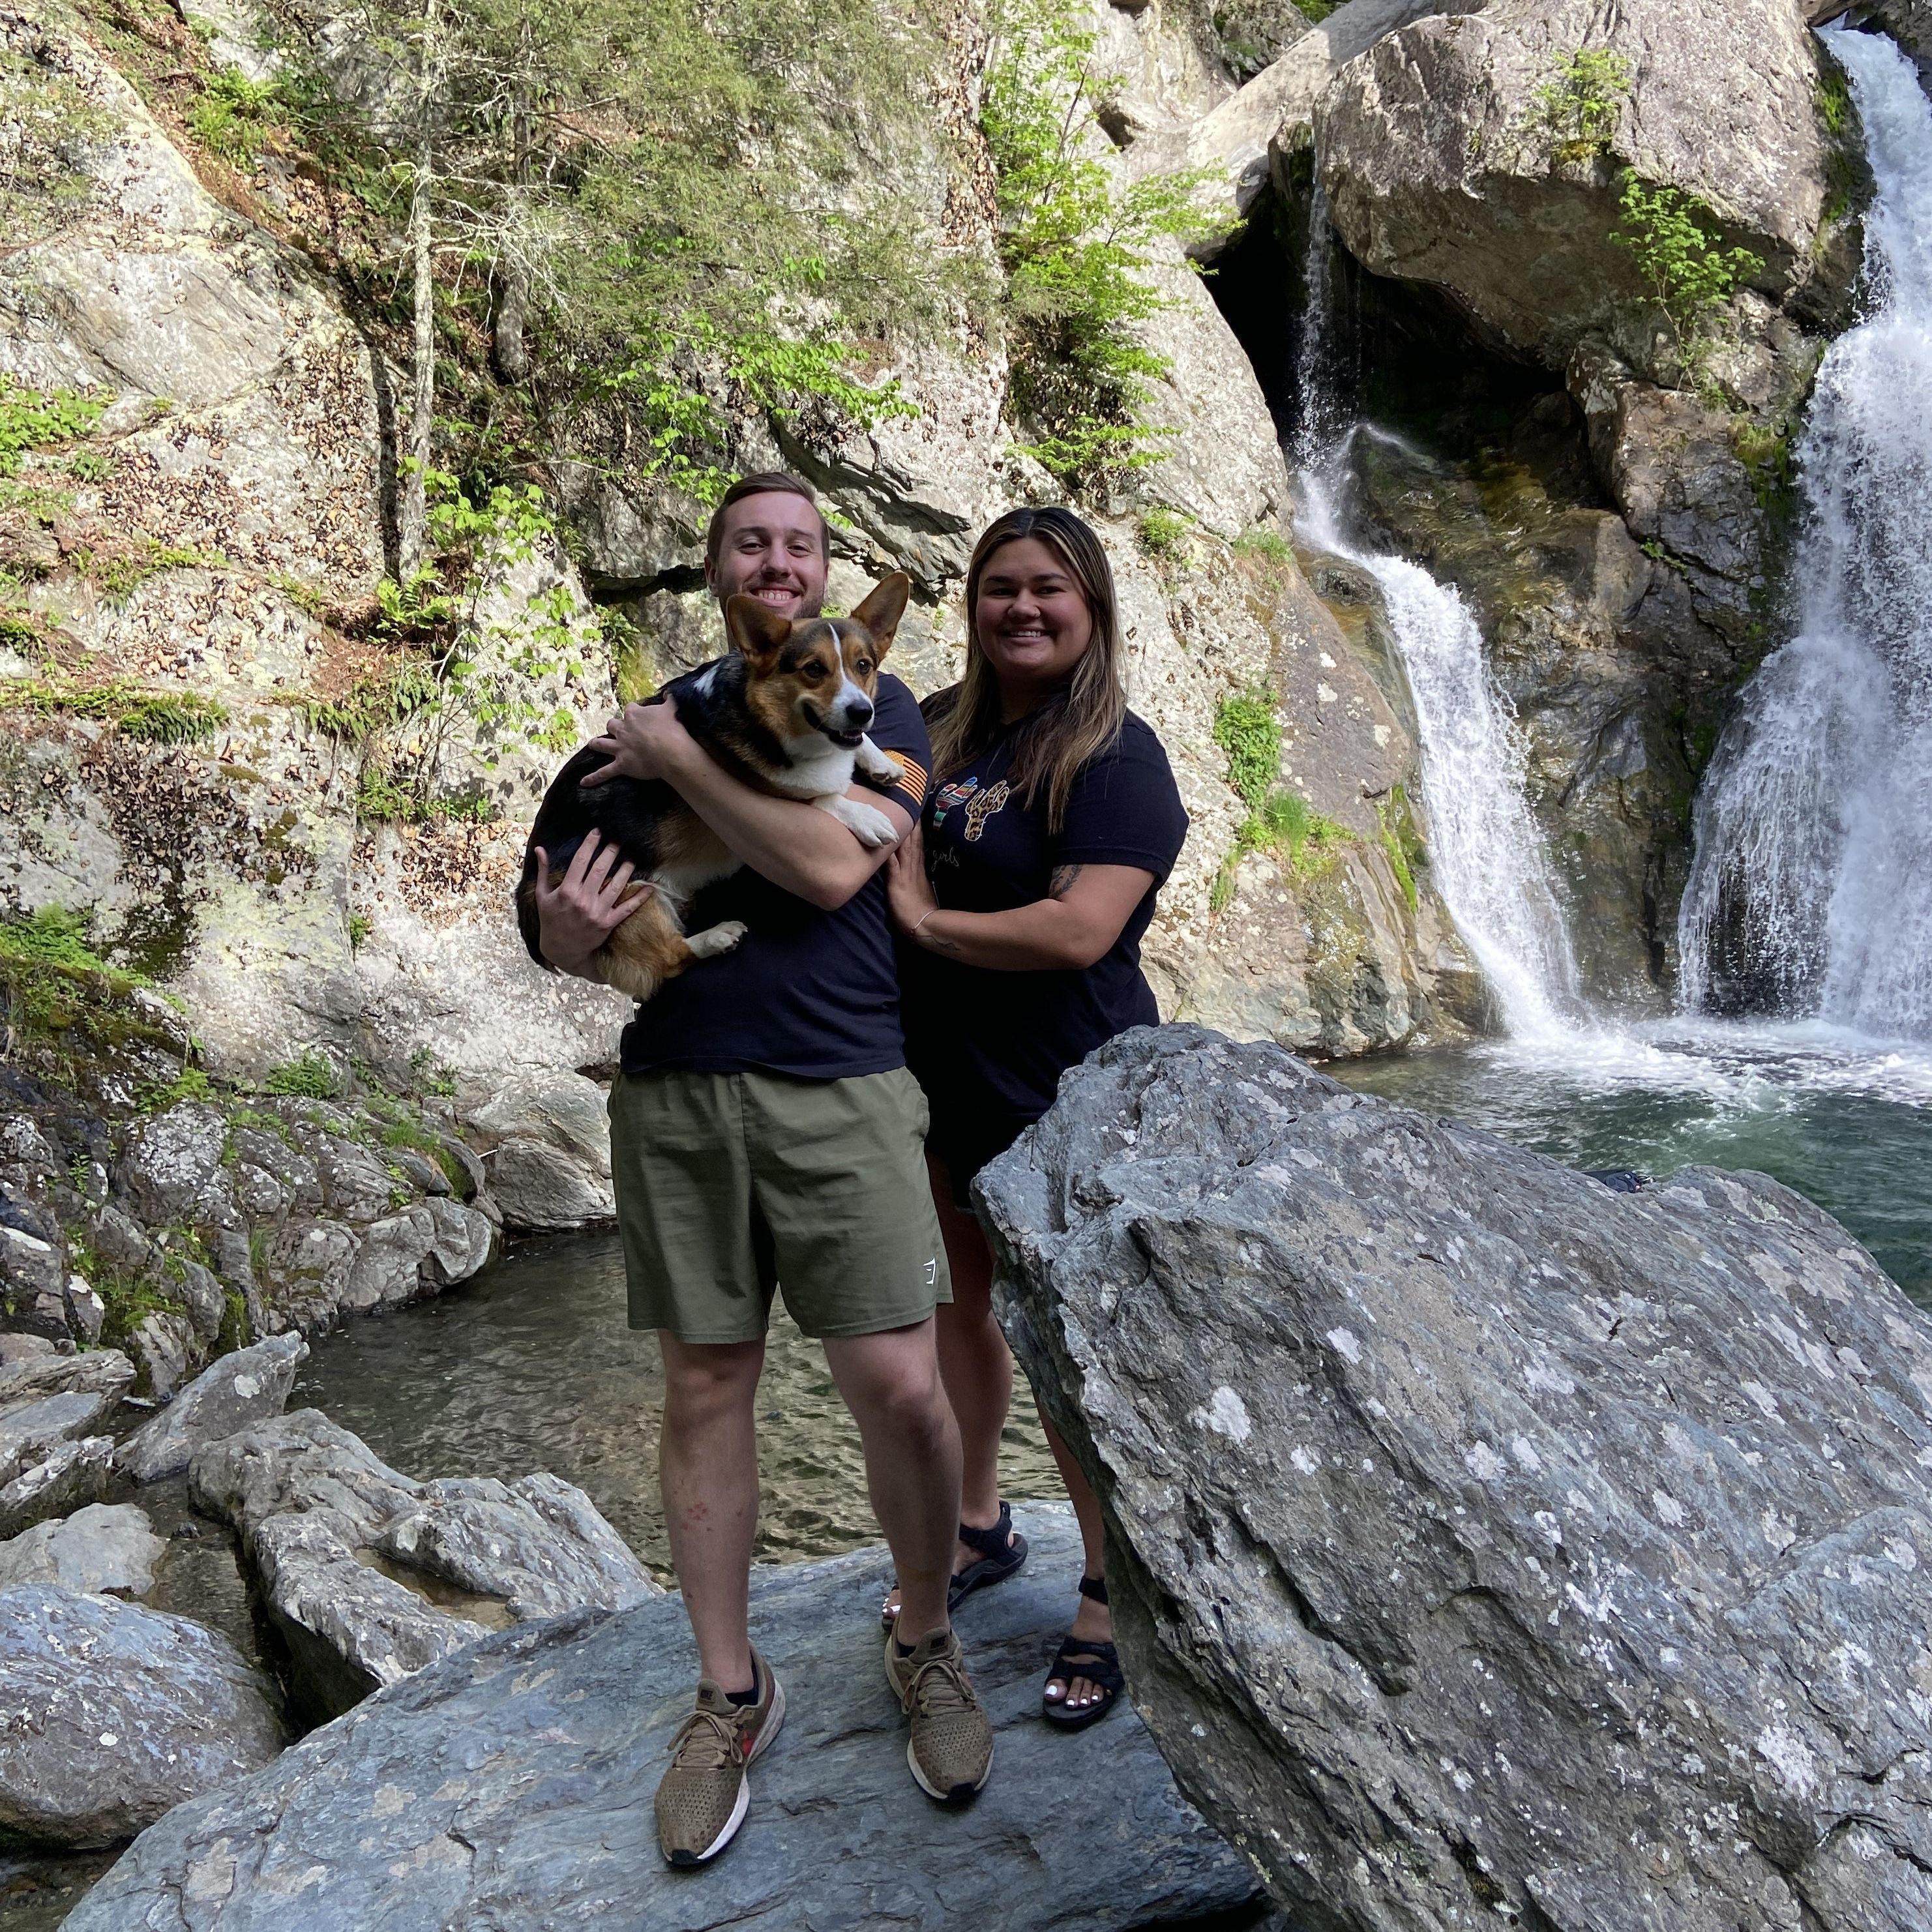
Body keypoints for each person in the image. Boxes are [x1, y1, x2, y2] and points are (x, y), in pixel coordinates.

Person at [530, 471, 995, 1866]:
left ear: (826, 577)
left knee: (902, 1384)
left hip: (843, 1081)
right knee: (704, 1388)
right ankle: (729, 1692)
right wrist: (562, 928)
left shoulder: (881, 704)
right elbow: (553, 914)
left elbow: (831, 870)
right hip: (675, 1088)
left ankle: (925, 1634)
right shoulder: (646, 721)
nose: (779, 564)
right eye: (753, 546)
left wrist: (672, 758)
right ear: (727, 582)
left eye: (800, 545)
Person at [885, 505, 1189, 1729]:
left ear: (1093, 609)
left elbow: (1079, 929)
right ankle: (977, 1520)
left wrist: (924, 925)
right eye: (1000, 587)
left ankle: (1111, 1590)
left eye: (1048, 590)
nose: (1022, 607)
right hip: (940, 1079)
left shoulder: (1118, 755)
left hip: (1065, 1092)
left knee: (1064, 1340)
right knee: (963, 1308)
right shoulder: (941, 729)